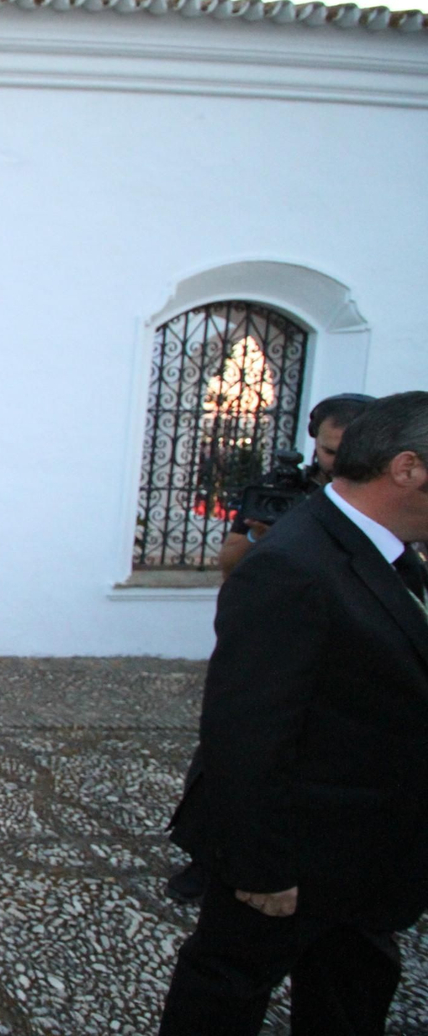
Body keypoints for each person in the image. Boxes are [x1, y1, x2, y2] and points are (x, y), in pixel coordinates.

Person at [159, 391, 428, 1035]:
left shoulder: (390, 557)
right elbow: (245, 734)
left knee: (350, 991)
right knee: (225, 992)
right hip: (299, 857)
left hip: (367, 853)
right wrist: (262, 868)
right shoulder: (293, 566)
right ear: (408, 469)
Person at [218, 392, 374, 577]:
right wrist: (258, 537)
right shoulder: (281, 488)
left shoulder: (388, 494)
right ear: (315, 439)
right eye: (330, 452)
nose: (338, 463)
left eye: (350, 453)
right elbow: (229, 567)